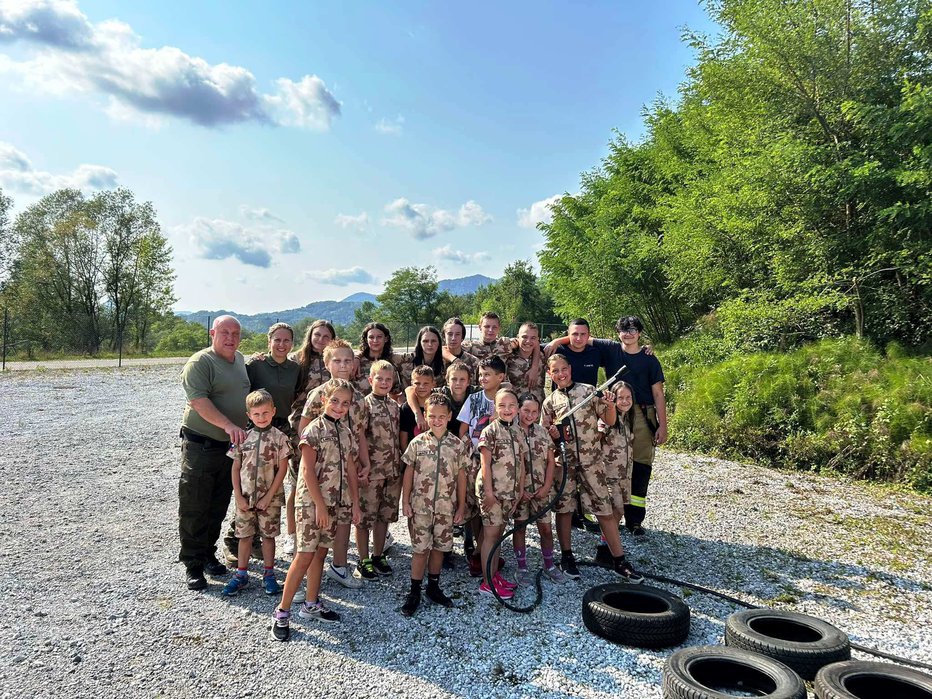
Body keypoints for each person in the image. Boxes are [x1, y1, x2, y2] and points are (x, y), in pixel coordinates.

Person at [271, 379, 362, 641]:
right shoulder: (313, 430)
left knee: (321, 553)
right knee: (304, 555)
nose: (339, 407)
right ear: (324, 401)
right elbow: (307, 471)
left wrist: (354, 502)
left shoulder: (345, 431)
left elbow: (352, 469)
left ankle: (311, 604)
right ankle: (282, 611)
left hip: (336, 504)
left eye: (345, 403)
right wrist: (320, 506)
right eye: (335, 401)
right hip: (312, 504)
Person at [540, 354, 643, 582]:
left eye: (563, 369)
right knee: (564, 509)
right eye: (555, 371)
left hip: (592, 462)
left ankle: (619, 560)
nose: (561, 374)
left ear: (570, 368)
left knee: (603, 508)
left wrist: (608, 405)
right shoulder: (550, 403)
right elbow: (545, 435)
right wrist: (553, 435)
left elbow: (610, 420)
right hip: (564, 463)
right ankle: (567, 556)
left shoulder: (588, 391)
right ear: (549, 374)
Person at [178, 315, 250, 591]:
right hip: (203, 444)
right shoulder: (201, 362)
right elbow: (198, 401)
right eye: (225, 332)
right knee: (195, 504)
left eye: (235, 333)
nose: (230, 337)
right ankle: (193, 564)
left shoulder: (240, 360)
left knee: (218, 503)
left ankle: (208, 554)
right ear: (212, 333)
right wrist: (229, 425)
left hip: (229, 448)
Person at [224, 322, 301, 559]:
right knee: (250, 484)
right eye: (276, 340)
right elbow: (241, 388)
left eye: (286, 340)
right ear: (269, 342)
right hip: (255, 428)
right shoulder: (255, 365)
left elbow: (296, 394)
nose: (281, 344)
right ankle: (234, 540)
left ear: (292, 343)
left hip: (279, 429)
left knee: (272, 483)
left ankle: (260, 538)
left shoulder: (295, 369)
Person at [300, 339, 370, 589]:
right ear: (327, 363)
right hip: (322, 473)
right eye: (337, 360)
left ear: (354, 364)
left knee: (344, 519)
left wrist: (365, 462)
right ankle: (306, 579)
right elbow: (303, 428)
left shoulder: (359, 398)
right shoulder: (319, 394)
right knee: (315, 527)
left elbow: (360, 433)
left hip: (347, 470)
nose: (343, 365)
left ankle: (339, 566)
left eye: (347, 360)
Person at [590, 315, 667, 535]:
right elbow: (580, 338)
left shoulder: (649, 359)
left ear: (640, 333)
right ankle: (608, 515)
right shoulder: (611, 349)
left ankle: (634, 520)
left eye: (633, 329)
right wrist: (555, 344)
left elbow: (658, 393)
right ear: (618, 332)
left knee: (641, 465)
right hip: (615, 412)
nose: (629, 333)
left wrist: (663, 425)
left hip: (643, 414)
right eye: (624, 329)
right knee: (609, 464)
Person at [399, 394, 468, 617]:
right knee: (420, 549)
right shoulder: (417, 443)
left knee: (440, 547)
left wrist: (461, 506)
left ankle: (433, 587)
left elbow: (461, 476)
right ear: (426, 416)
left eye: (441, 416)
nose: (436, 420)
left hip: (446, 507)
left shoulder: (457, 445)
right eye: (432, 416)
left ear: (449, 417)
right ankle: (414, 590)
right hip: (420, 507)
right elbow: (408, 471)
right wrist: (405, 500)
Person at [222, 389, 291, 597]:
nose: (261, 418)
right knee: (244, 536)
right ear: (249, 415)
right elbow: (235, 467)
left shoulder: (280, 438)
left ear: (273, 412)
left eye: (265, 413)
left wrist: (269, 496)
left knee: (268, 537)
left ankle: (269, 575)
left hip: (269, 499)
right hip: (245, 497)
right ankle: (241, 575)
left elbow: (283, 469)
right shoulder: (243, 438)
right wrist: (238, 496)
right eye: (257, 414)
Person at [284, 320, 335, 556]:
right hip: (302, 424)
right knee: (298, 482)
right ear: (310, 336)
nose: (321, 340)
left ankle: (322, 529)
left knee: (324, 478)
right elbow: (275, 361)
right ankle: (292, 534)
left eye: (326, 336)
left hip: (329, 426)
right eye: (317, 335)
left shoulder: (337, 359)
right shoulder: (297, 360)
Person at [456, 355, 508, 576]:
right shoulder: (474, 399)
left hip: (501, 464)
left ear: (501, 377)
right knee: (478, 508)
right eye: (481, 374)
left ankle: (490, 550)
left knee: (497, 508)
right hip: (476, 461)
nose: (483, 378)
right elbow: (463, 430)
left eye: (488, 374)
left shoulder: (507, 400)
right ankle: (479, 552)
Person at [476, 388, 526, 600]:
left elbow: (522, 463)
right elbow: (485, 464)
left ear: (517, 409)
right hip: (492, 493)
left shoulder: (517, 431)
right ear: (495, 408)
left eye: (511, 405)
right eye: (502, 405)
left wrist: (519, 491)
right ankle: (487, 582)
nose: (507, 409)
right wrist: (488, 493)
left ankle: (493, 575)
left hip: (509, 494)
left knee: (498, 538)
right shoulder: (490, 432)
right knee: (490, 536)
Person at [512, 393, 566, 584]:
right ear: (518, 409)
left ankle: (549, 565)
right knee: (519, 528)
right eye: (526, 410)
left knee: (546, 530)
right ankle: (522, 566)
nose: (530, 415)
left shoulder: (543, 433)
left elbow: (551, 461)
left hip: (542, 491)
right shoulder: (512, 432)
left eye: (534, 411)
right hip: (521, 493)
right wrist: (520, 491)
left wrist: (547, 486)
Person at [355, 360, 402, 580]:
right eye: (379, 378)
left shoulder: (394, 406)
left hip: (391, 471)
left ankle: (377, 554)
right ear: (370, 380)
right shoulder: (364, 405)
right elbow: (359, 436)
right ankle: (363, 559)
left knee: (384, 516)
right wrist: (363, 467)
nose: (384, 382)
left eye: (388, 379)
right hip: (372, 472)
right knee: (365, 518)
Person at [595, 382, 635, 567]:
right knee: (613, 511)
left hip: (624, 475)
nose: (625, 401)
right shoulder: (609, 419)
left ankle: (606, 547)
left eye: (628, 397)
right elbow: (596, 437)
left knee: (620, 510)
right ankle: (605, 549)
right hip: (609, 474)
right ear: (614, 399)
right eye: (621, 398)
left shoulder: (628, 419)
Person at [353, 322, 403, 397]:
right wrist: (356, 357)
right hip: (360, 406)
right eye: (371, 337)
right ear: (366, 339)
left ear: (386, 338)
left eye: (379, 337)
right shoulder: (357, 362)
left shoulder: (394, 360)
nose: (375, 340)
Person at [506, 322, 545, 402]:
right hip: (515, 407)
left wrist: (534, 367)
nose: (528, 341)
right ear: (517, 337)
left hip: (537, 408)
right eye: (524, 337)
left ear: (538, 340)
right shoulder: (508, 356)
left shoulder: (543, 356)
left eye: (533, 338)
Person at [400, 365, 436, 449]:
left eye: (426, 383)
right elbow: (403, 438)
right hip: (414, 456)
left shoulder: (439, 404)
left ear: (433, 384)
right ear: (412, 383)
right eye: (417, 383)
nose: (421, 387)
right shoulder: (406, 408)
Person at [440, 317, 480, 382]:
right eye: (450, 334)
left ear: (462, 337)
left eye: (457, 334)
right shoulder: (436, 360)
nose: (453, 338)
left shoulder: (474, 362)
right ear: (444, 337)